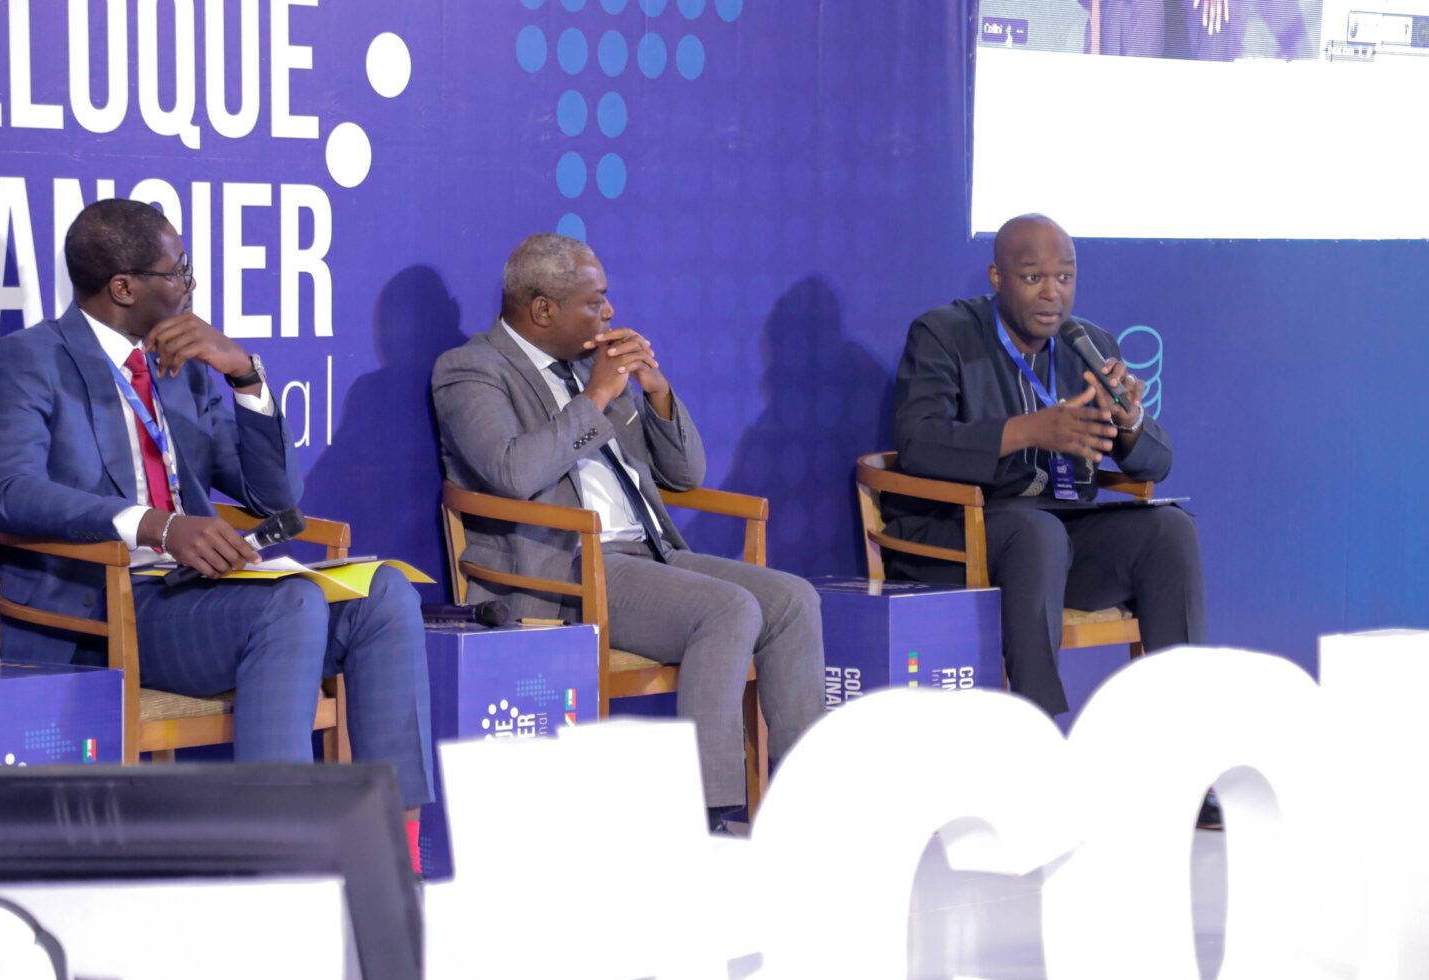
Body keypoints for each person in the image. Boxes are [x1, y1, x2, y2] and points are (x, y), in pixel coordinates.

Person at [0, 198, 433, 866]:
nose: (190, 286)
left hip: (204, 593)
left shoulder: (183, 366)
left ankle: (400, 859)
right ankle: (281, 867)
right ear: (123, 287)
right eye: (178, 272)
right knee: (292, 603)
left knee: (385, 594)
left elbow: (274, 497)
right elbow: (9, 492)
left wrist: (243, 374)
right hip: (110, 606)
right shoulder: (32, 358)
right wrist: (156, 525)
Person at [431, 233, 825, 828]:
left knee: (794, 600)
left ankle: (810, 807)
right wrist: (596, 396)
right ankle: (708, 815)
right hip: (564, 568)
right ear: (543, 310)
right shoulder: (472, 370)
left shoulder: (591, 365)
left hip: (650, 552)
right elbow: (512, 473)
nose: (610, 312)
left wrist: (656, 391)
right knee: (728, 610)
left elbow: (685, 475)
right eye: (595, 302)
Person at [888, 213, 1205, 720]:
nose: (1052, 293)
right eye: (1033, 277)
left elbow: (1157, 463)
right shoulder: (944, 334)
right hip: (965, 536)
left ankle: (1183, 730)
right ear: (998, 277)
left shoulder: (1089, 345)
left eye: (1065, 277)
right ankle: (1038, 731)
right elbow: (917, 442)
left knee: (1169, 530)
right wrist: (1030, 431)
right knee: (1037, 533)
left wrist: (1129, 421)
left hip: (1062, 536)